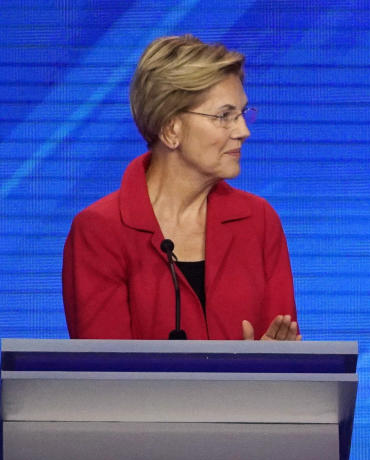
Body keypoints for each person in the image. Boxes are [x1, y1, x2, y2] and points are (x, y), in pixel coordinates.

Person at [62, 35, 300, 341]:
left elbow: (286, 355)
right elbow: (106, 375)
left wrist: (272, 367)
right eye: (224, 116)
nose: (244, 131)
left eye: (242, 114)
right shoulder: (100, 232)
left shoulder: (258, 222)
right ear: (171, 130)